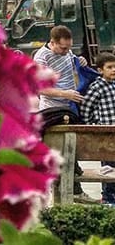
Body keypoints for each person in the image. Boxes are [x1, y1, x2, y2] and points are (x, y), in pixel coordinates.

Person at [34, 25, 95, 203]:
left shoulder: (67, 52)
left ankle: (74, 187)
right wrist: (64, 94)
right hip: (53, 108)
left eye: (69, 48)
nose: (66, 51)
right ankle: (66, 190)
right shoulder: (41, 58)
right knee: (60, 148)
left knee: (72, 145)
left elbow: (73, 62)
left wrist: (81, 61)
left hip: (71, 105)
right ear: (52, 43)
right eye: (63, 48)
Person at [80, 52, 115, 205]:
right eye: (109, 67)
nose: (113, 70)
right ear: (100, 70)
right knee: (108, 167)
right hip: (105, 134)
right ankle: (107, 198)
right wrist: (93, 124)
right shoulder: (97, 87)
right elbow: (87, 108)